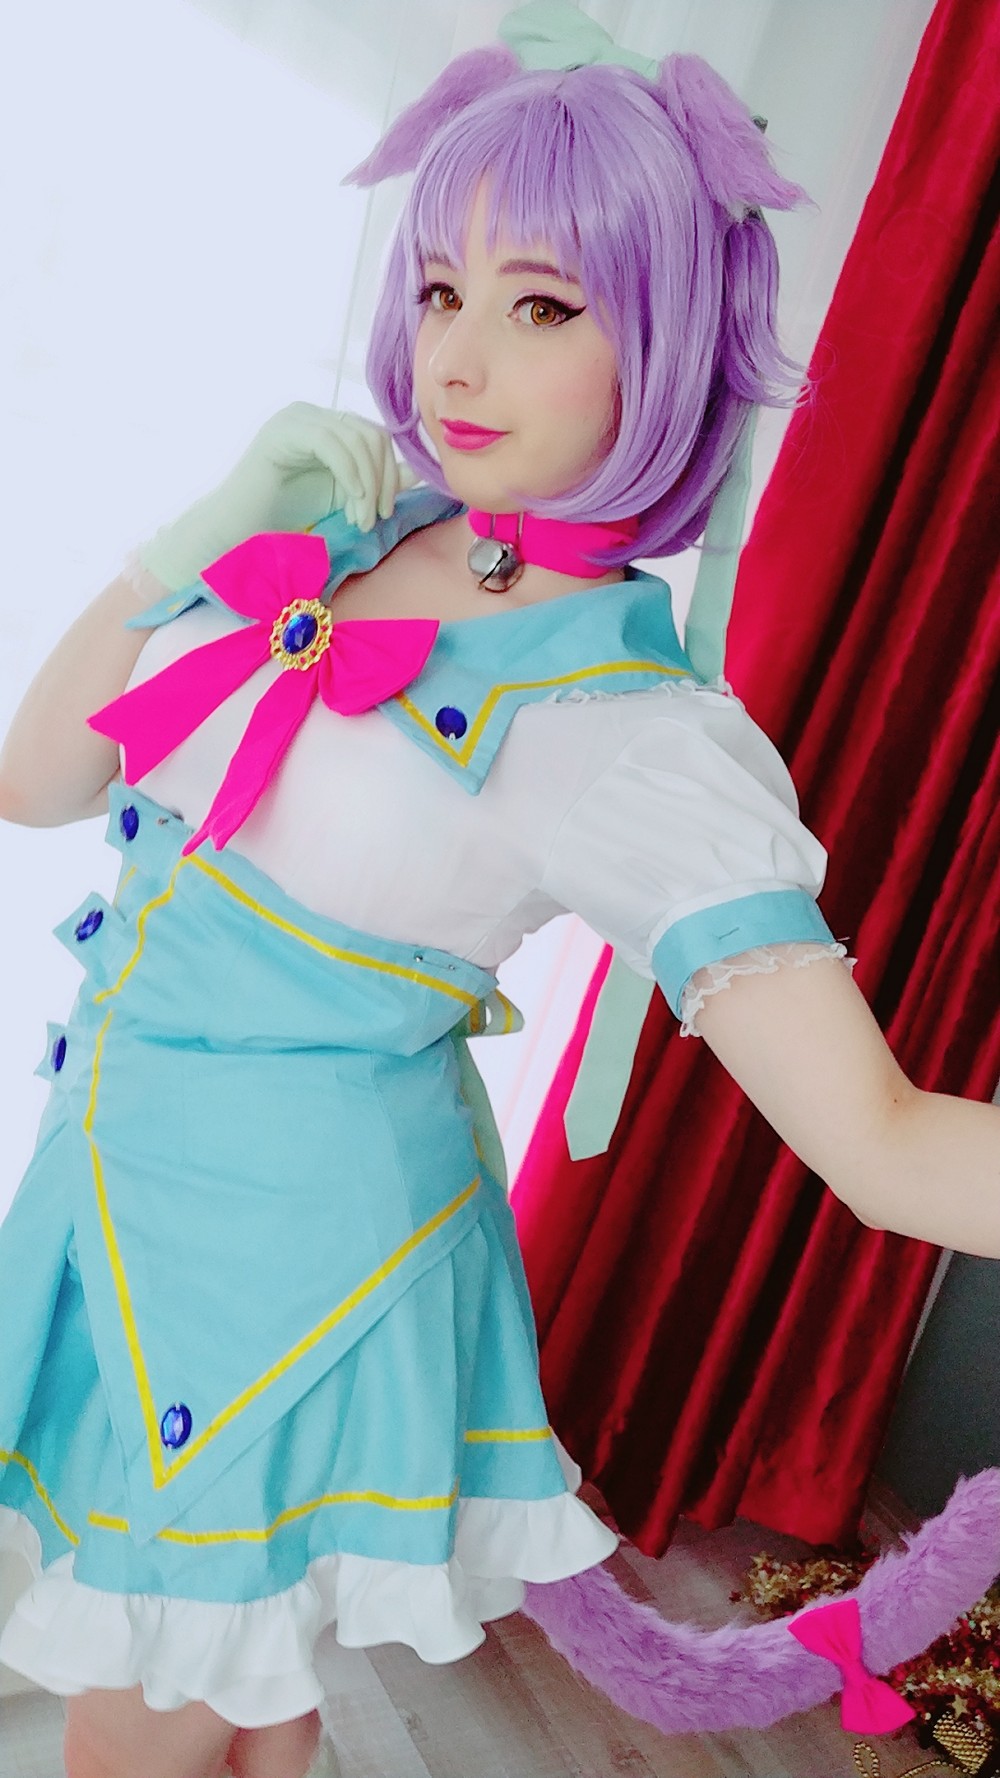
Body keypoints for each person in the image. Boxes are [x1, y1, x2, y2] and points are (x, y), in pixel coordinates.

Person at [1, 6, 998, 1777]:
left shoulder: (631, 733)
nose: (458, 356)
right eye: (443, 289)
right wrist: (189, 540)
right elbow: (39, 781)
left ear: (660, 342)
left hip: (287, 1285)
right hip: (118, 1190)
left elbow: (884, 1141)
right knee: (245, 1698)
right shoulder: (362, 529)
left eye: (543, 307)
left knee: (138, 1716)